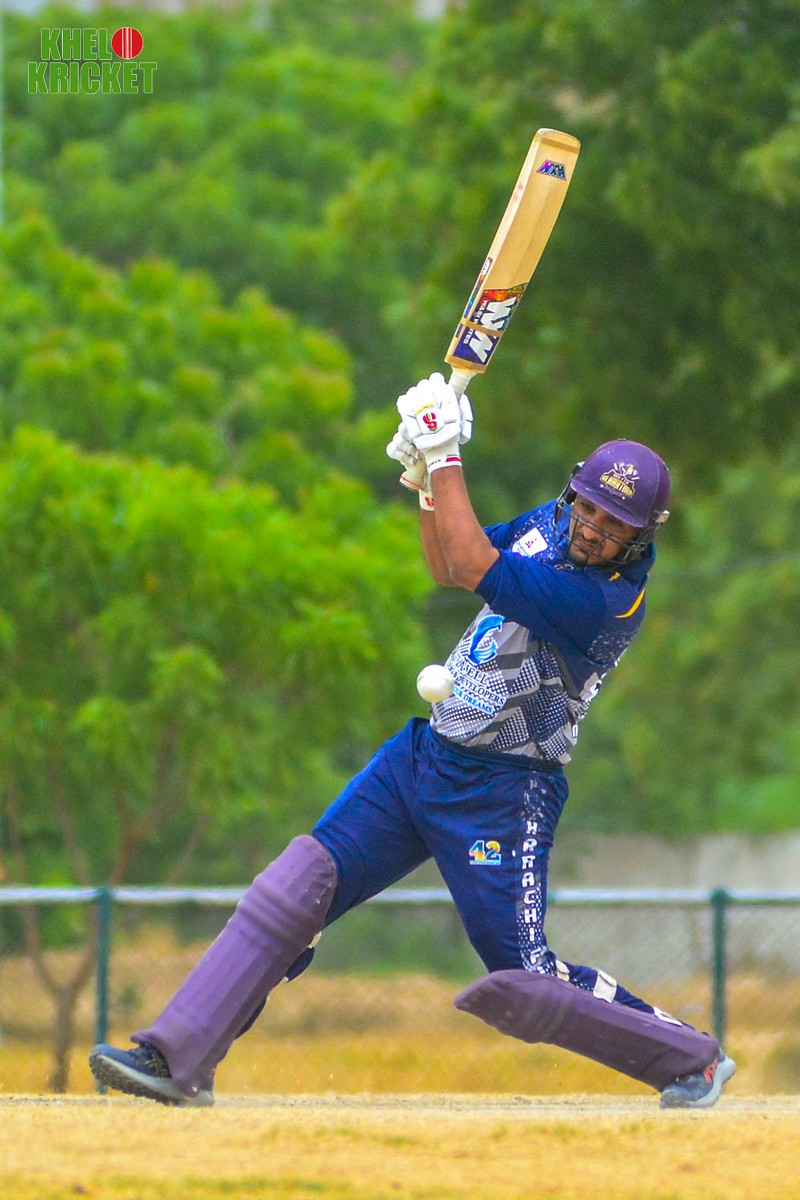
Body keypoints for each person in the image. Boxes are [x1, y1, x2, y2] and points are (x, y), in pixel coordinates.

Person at [89, 372, 735, 1110]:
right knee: (295, 888)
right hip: (423, 759)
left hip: (504, 792)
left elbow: (475, 565)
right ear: (572, 494)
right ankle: (177, 1058)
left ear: (642, 535)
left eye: (614, 523)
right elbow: (447, 563)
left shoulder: (609, 601)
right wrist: (427, 478)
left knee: (524, 977)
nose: (592, 527)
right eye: (587, 506)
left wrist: (447, 453)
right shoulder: (549, 526)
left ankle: (692, 1059)